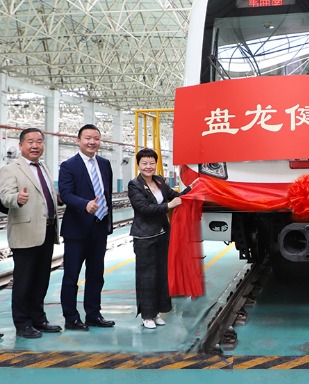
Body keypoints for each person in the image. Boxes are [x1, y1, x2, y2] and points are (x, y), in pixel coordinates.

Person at [0, 128, 61, 339]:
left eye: (39, 141)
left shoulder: (44, 167)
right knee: (24, 281)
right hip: (25, 231)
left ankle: (38, 319)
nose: (35, 145)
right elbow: (5, 196)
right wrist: (16, 198)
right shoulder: (10, 169)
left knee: (41, 279)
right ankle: (22, 323)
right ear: (21, 145)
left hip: (47, 230)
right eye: (30, 141)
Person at [127, 148, 196, 329]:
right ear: (138, 165)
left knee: (161, 274)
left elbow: (176, 197)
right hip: (145, 237)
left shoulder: (159, 181)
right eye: (144, 163)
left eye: (151, 163)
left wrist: (192, 187)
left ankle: (157, 312)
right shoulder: (134, 185)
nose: (148, 166)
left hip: (162, 235)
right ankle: (147, 316)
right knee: (146, 276)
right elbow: (144, 208)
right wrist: (168, 206)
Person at [58, 124, 115, 330]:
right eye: (88, 138)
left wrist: (107, 218)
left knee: (96, 275)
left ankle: (93, 314)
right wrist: (85, 205)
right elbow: (65, 194)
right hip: (77, 230)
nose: (92, 142)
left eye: (96, 139)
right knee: (71, 276)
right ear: (78, 140)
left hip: (99, 227)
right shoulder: (68, 166)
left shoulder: (105, 164)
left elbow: (106, 193)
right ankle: (71, 318)